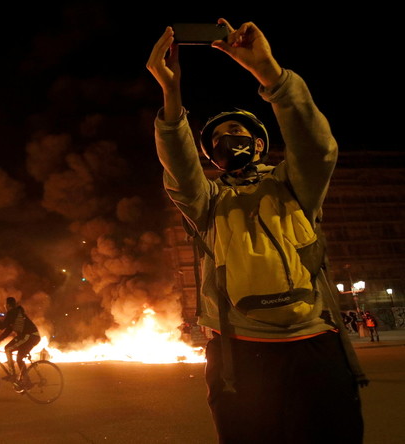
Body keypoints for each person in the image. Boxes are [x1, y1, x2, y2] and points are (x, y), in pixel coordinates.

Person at [147, 19, 365, 443]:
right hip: (238, 353)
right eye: (217, 140)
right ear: (208, 157)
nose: (228, 140)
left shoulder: (294, 186)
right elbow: (180, 169)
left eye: (237, 131)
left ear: (260, 144)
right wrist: (171, 95)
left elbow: (317, 148)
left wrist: (271, 75)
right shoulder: (207, 203)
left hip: (314, 342)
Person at [0, 297, 40, 388]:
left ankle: (12, 375)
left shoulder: (12, 312)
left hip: (29, 336)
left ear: (7, 305)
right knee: (19, 358)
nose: (5, 307)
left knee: (8, 349)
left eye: (5, 305)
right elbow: (9, 329)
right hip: (30, 336)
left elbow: (2, 326)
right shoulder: (15, 313)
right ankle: (27, 382)